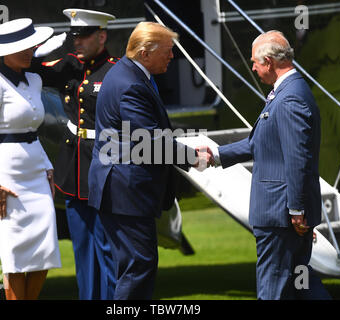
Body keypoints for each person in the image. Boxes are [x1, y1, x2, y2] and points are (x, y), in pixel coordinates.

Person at [199, 30, 331, 300]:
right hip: (284, 213)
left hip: (281, 215)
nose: (253, 68)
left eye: (255, 62)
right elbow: (263, 142)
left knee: (273, 289)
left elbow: (297, 158)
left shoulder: (290, 98)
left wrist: (295, 209)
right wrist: (217, 154)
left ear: (269, 61)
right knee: (301, 284)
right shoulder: (287, 92)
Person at [88, 21, 199, 300]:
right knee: (138, 268)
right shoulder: (130, 85)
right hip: (126, 191)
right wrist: (193, 157)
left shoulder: (129, 75)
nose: (172, 57)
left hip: (122, 189)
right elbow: (149, 141)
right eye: (167, 51)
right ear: (145, 53)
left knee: (134, 267)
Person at [29, 9, 117, 300]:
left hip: (104, 164)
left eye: (84, 36)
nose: (77, 42)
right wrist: (42, 50)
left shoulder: (117, 70)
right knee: (82, 246)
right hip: (73, 166)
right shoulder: (68, 65)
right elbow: (30, 71)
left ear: (101, 36)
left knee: (107, 247)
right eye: (74, 36)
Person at [0, 18, 61, 300]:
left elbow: (32, 132)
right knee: (15, 256)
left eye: (30, 45)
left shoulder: (35, 79)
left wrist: (47, 166)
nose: (29, 50)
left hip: (38, 173)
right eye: (21, 46)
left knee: (45, 252)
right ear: (4, 51)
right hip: (6, 178)